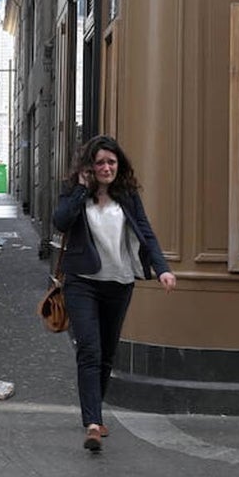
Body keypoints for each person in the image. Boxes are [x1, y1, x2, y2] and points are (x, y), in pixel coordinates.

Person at [52, 135, 176, 452]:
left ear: (119, 166)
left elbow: (146, 231)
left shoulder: (128, 196)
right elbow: (61, 222)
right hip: (82, 281)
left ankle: (96, 412)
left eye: (112, 162)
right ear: (89, 167)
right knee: (89, 350)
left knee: (107, 353)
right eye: (100, 163)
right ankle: (92, 423)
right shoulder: (77, 194)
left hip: (119, 283)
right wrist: (81, 189)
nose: (106, 168)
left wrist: (162, 268)